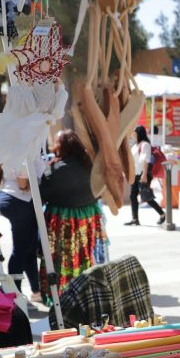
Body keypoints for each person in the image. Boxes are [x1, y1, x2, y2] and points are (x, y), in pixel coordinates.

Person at [39, 130, 108, 305]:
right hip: (86, 218)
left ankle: (58, 295)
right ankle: (83, 291)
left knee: (59, 259)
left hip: (61, 220)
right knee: (84, 256)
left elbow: (43, 194)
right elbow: (98, 191)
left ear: (60, 147)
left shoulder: (53, 169)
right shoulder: (90, 166)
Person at [0, 160, 45, 302]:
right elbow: (22, 181)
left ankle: (35, 292)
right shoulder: (22, 150)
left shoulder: (8, 150)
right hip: (20, 200)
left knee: (29, 248)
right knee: (22, 250)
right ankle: (15, 294)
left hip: (11, 198)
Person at [126, 125, 165, 226]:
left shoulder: (145, 145)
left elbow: (146, 160)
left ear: (138, 133)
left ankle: (162, 214)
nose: (133, 135)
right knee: (133, 196)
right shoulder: (135, 145)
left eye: (134, 133)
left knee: (146, 196)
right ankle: (135, 219)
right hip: (135, 174)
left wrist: (144, 175)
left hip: (143, 174)